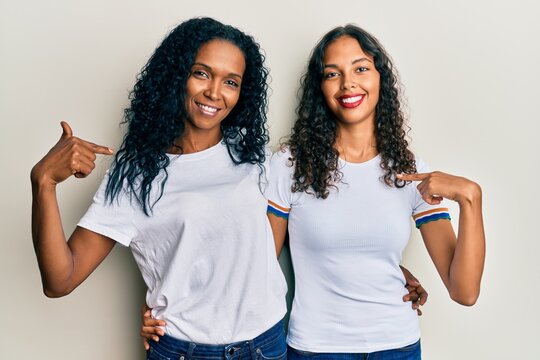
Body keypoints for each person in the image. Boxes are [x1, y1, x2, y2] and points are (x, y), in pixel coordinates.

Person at [30, 17, 290, 360]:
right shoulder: (138, 174)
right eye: (201, 73)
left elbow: (255, 242)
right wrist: (43, 183)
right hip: (187, 351)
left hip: (267, 344)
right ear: (176, 75)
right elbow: (59, 281)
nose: (214, 92)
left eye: (231, 81)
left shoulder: (249, 150)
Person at [264, 25, 486, 359]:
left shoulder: (411, 171)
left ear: (380, 77)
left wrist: (471, 198)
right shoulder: (290, 166)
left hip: (397, 346)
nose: (348, 83)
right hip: (317, 349)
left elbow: (464, 291)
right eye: (332, 74)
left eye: (361, 68)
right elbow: (257, 266)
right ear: (319, 88)